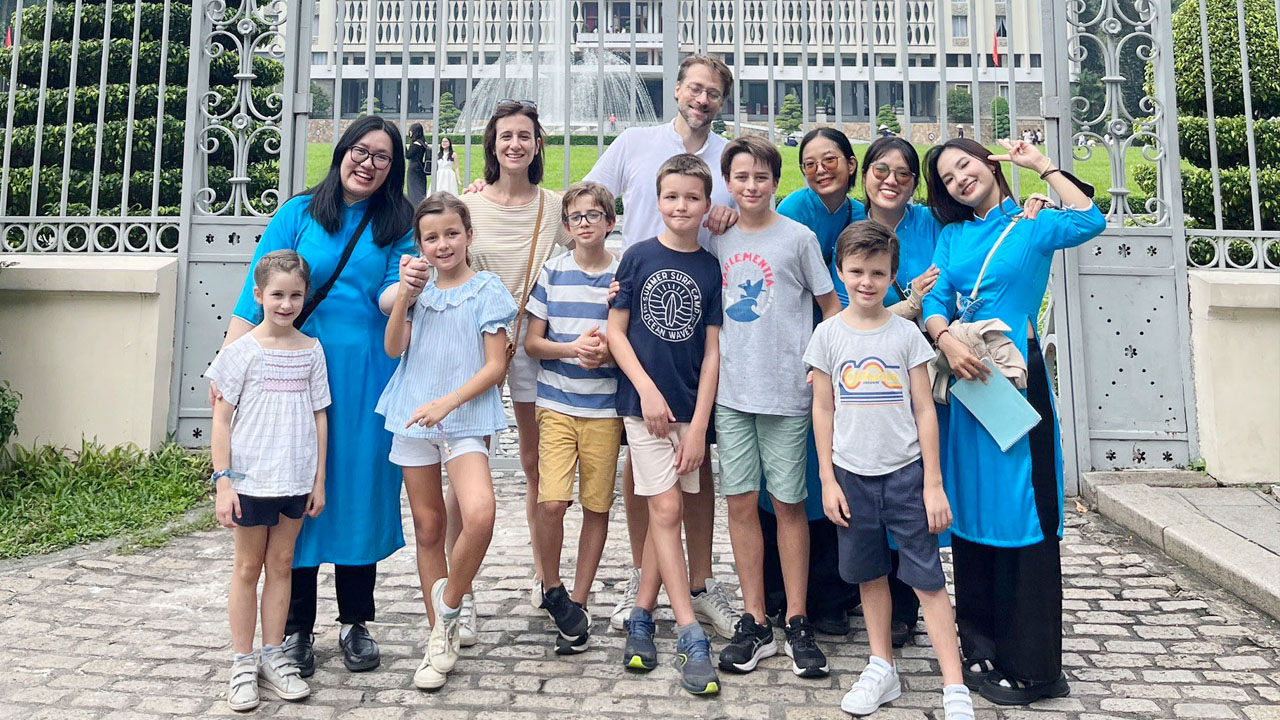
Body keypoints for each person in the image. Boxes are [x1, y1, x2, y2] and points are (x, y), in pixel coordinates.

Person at [216, 115, 415, 678]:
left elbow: (389, 292)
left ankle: (356, 621)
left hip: (364, 374)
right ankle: (295, 628)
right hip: (287, 371)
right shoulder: (298, 213)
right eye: (359, 150)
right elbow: (255, 291)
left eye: (381, 156)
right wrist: (227, 364)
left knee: (357, 490)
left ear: (393, 166)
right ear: (341, 152)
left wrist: (408, 285)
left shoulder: (396, 222)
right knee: (290, 482)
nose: (367, 162)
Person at [922, 137, 1105, 705]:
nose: (959, 179)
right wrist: (944, 335)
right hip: (968, 387)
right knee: (975, 515)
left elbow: (1092, 219)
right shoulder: (952, 236)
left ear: (989, 162)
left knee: (1024, 517)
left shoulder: (1033, 224)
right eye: (948, 178)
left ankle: (1033, 667)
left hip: (1016, 384)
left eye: (965, 165)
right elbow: (936, 296)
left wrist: (1042, 167)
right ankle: (980, 645)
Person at [583, 54, 741, 638]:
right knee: (642, 462)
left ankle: (698, 582)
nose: (702, 99)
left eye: (714, 92)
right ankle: (641, 574)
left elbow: (753, 205)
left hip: (700, 312)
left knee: (695, 464)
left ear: (722, 101)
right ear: (677, 89)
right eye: (695, 88)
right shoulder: (635, 141)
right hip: (639, 316)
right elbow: (587, 198)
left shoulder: (727, 157)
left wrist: (729, 208)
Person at [807, 221, 974, 719]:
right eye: (856, 271)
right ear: (840, 271)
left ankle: (954, 685)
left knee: (926, 578)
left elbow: (925, 409)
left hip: (905, 474)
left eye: (877, 272)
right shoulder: (827, 335)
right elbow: (822, 409)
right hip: (851, 475)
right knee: (869, 574)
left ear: (892, 275)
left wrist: (933, 483)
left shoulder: (906, 335)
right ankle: (881, 666)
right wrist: (827, 479)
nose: (866, 281)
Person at [706, 136, 840, 679]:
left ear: (775, 182)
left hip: (788, 394)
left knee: (789, 504)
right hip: (733, 394)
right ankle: (756, 618)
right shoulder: (715, 238)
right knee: (741, 504)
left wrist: (821, 366)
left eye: (761, 177)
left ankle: (799, 618)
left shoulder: (798, 238)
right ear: (729, 182)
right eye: (741, 178)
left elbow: (829, 305)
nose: (751, 187)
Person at [376, 193, 517, 690]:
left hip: (461, 419)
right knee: (429, 526)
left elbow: (496, 365)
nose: (443, 244)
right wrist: (406, 300)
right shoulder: (414, 292)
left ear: (468, 236)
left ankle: (451, 601)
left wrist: (448, 404)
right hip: (412, 414)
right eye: (432, 237)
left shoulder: (487, 290)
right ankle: (439, 637)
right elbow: (395, 347)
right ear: (419, 243)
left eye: (452, 233)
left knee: (479, 513)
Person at [608, 154, 723, 695]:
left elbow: (714, 351)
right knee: (668, 506)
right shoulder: (636, 257)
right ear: (656, 201)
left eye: (692, 198)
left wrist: (699, 424)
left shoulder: (709, 266)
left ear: (707, 205)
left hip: (689, 411)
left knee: (665, 509)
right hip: (644, 409)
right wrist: (648, 394)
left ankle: (640, 614)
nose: (681, 206)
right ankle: (687, 630)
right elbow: (616, 333)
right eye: (672, 196)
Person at [459, 100, 572, 625]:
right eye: (506, 136)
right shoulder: (470, 205)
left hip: (529, 343)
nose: (515, 145)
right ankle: (464, 581)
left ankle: (541, 570)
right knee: (469, 460)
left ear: (537, 144)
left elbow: (585, 247)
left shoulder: (553, 207)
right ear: (492, 144)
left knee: (532, 462)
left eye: (525, 136)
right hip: (476, 342)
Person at [207, 250, 329, 712]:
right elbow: (221, 421)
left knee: (282, 567)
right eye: (277, 294)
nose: (286, 304)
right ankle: (242, 661)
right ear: (258, 295)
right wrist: (224, 481)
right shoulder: (239, 354)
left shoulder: (312, 350)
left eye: (295, 295)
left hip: (295, 478)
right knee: (246, 568)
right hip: (250, 479)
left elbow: (319, 416)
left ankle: (274, 655)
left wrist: (318, 480)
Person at [763, 127, 867, 635]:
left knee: (835, 468)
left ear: (850, 164)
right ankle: (780, 591)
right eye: (809, 163)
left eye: (830, 160)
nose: (820, 169)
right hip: (792, 358)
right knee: (788, 476)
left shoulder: (860, 215)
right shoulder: (793, 211)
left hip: (847, 353)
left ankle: (834, 590)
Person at [524, 181, 622, 655]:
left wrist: (608, 356)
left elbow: (632, 342)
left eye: (594, 215)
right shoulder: (552, 272)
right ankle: (553, 586)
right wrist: (573, 349)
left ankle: (577, 602)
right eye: (577, 217)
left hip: (604, 409)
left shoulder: (622, 275)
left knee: (596, 506)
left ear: (610, 221)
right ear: (566, 227)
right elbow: (533, 344)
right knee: (552, 503)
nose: (585, 223)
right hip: (558, 403)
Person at [407, 123, 431, 205]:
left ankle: (414, 205)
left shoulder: (416, 144)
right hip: (421, 167)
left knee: (413, 188)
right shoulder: (423, 142)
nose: (409, 132)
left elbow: (408, 155)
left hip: (413, 168)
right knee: (420, 188)